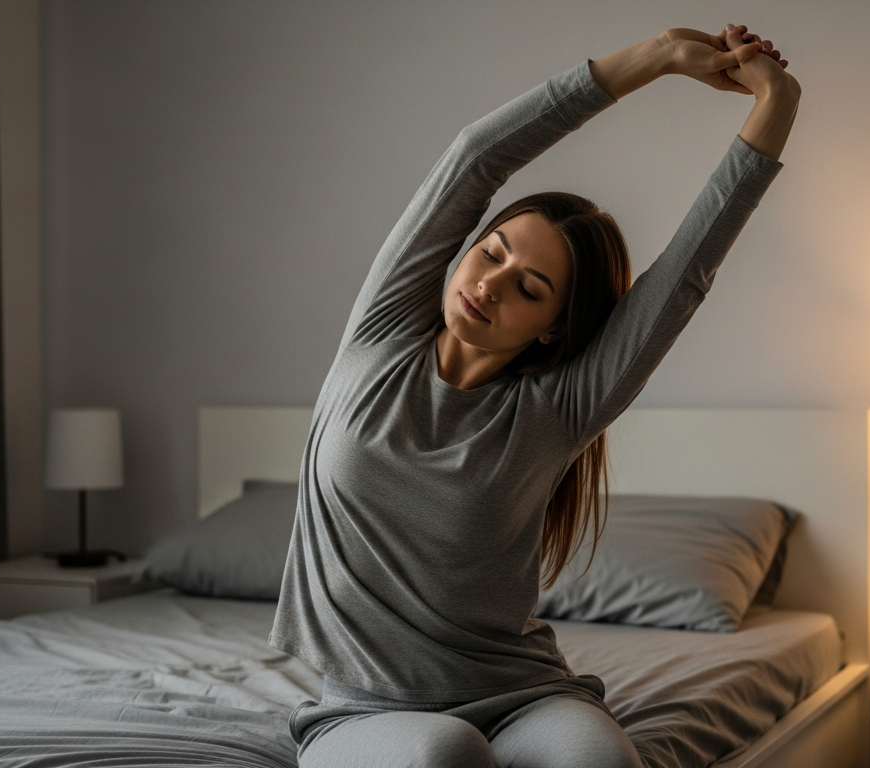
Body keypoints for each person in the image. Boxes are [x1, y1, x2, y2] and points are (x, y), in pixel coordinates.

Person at [270, 23, 800, 768]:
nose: (489, 283)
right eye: (491, 252)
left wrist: (777, 101)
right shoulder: (381, 334)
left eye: (529, 288)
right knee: (442, 754)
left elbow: (684, 277)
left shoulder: (558, 412)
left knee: (602, 761)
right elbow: (474, 158)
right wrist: (656, 59)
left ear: (554, 329)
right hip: (366, 704)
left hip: (524, 696)